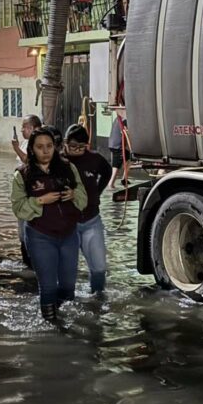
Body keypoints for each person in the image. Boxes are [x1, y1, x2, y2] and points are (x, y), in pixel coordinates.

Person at [11, 127, 88, 321]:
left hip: (69, 234)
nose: (45, 151)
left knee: (68, 285)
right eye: (39, 147)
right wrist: (39, 201)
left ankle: (66, 319)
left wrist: (73, 194)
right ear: (31, 149)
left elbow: (83, 197)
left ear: (55, 147)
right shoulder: (22, 175)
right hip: (40, 235)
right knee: (47, 285)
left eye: (49, 146)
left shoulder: (67, 167)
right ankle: (51, 326)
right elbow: (18, 208)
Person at [64, 124, 112, 294]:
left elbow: (107, 172)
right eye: (73, 146)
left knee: (99, 268)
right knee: (67, 270)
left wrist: (97, 192)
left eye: (81, 147)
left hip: (91, 220)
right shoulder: (59, 161)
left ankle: (97, 299)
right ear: (65, 143)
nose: (77, 150)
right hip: (67, 224)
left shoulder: (94, 159)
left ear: (87, 146)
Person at [12, 114, 42, 267]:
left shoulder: (37, 144)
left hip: (33, 191)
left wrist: (16, 148)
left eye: (25, 127)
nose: (22, 129)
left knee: (30, 226)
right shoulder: (25, 143)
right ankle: (27, 261)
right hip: (22, 191)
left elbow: (30, 162)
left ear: (34, 128)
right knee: (22, 230)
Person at [108, 111, 129, 189]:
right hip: (118, 145)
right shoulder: (125, 120)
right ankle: (111, 183)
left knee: (129, 158)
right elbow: (127, 133)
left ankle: (124, 179)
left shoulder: (119, 118)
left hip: (112, 143)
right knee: (116, 165)